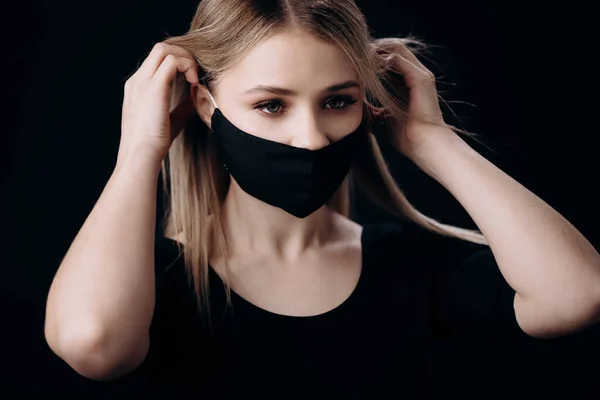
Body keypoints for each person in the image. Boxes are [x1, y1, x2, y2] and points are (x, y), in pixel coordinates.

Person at [44, 0, 600, 397]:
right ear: (208, 106)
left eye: (337, 102)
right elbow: (93, 344)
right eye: (271, 105)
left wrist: (432, 140)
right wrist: (142, 147)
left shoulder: (411, 264)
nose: (310, 138)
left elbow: (578, 294)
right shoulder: (155, 278)